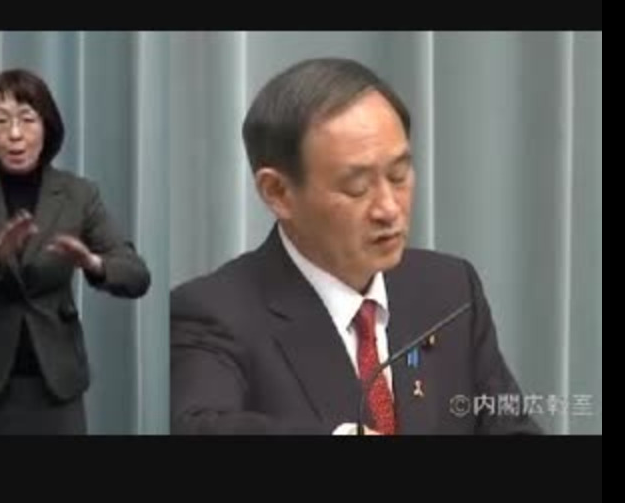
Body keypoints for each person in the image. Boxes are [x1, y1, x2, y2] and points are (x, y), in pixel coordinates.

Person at [170, 58, 541, 435]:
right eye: (357, 187)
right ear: (277, 192)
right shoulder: (215, 313)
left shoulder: (448, 290)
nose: (389, 208)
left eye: (399, 175)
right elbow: (200, 426)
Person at [0, 68, 151, 435]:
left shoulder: (79, 194)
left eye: (27, 120)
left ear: (47, 127)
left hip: (55, 385)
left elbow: (136, 276)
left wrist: (92, 262)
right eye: (1, 121)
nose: (14, 134)